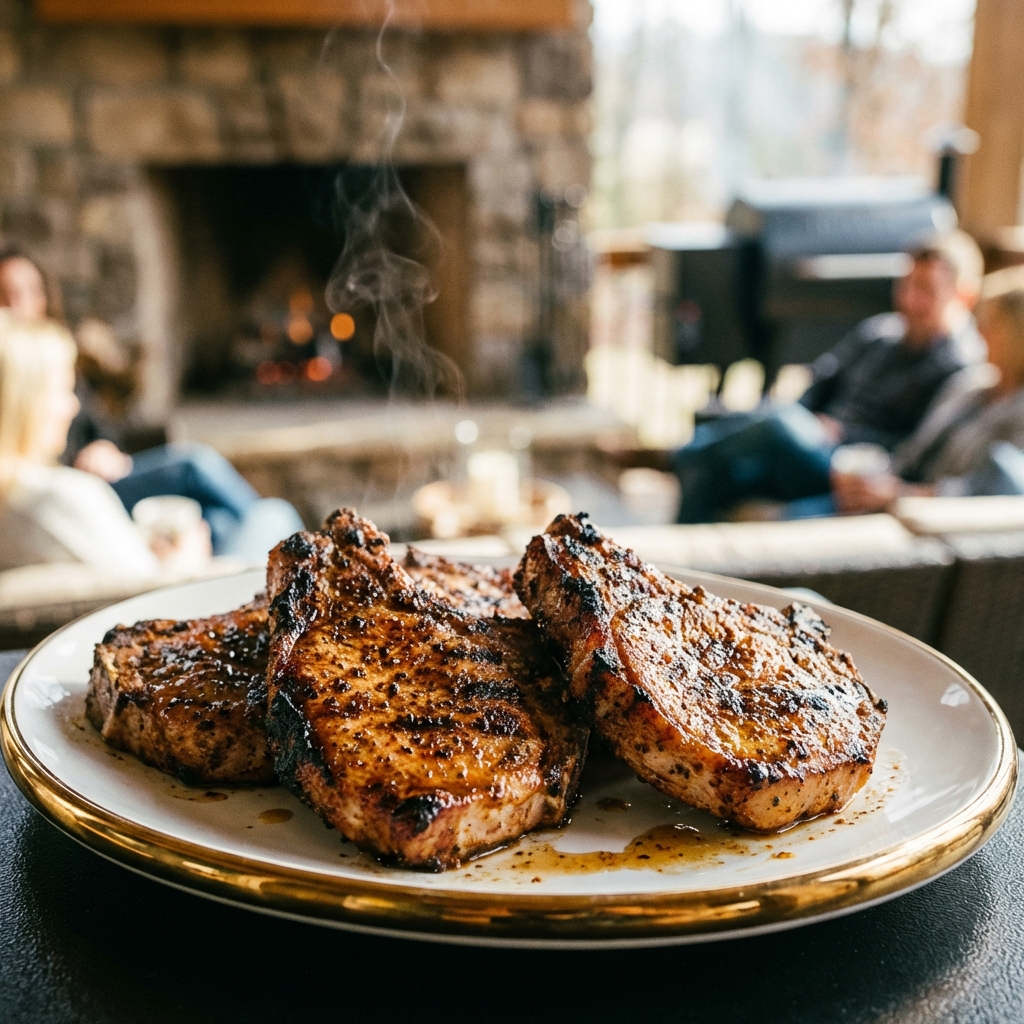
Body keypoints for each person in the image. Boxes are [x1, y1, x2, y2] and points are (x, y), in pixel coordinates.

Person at [0, 246, 302, 556]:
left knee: (220, 521)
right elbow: (147, 584)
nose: (20, 303)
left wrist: (103, 446)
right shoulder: (61, 497)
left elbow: (99, 426)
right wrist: (188, 553)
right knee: (267, 511)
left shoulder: (51, 356)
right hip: (165, 574)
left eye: (31, 291)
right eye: (6, 293)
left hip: (101, 482)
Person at [672, 231, 985, 522]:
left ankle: (687, 451)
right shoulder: (879, 333)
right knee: (713, 475)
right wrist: (811, 422)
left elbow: (916, 449)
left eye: (926, 290)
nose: (909, 300)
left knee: (778, 423)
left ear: (963, 296)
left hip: (856, 469)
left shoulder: (961, 370)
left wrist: (843, 432)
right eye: (905, 285)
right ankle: (672, 571)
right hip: (812, 448)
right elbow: (821, 379)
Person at [830, 268, 1024, 513]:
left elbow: (989, 488)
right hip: (889, 494)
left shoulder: (1018, 410)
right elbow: (913, 452)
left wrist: (899, 495)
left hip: (928, 514)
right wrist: (873, 476)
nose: (980, 331)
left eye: (991, 324)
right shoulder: (968, 385)